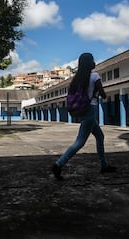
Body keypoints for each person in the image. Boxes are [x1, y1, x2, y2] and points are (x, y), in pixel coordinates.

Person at [52, 52, 116, 180]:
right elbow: (103, 94)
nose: (94, 62)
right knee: (80, 142)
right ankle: (58, 164)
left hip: (83, 111)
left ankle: (104, 165)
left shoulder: (77, 78)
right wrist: (99, 93)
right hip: (90, 111)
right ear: (89, 63)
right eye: (92, 60)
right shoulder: (95, 76)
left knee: (100, 136)